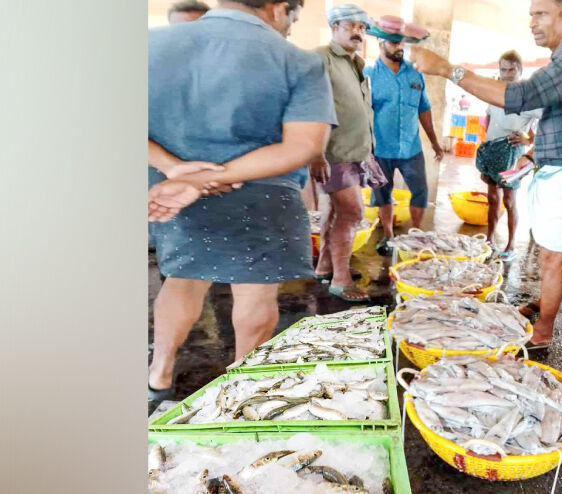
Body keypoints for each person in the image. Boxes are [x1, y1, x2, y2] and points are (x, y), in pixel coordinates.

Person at [147, 0, 336, 402]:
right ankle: (241, 394)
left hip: (170, 193)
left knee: (184, 278)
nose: (288, 28)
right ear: (280, 7)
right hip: (262, 193)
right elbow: (302, 146)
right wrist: (210, 178)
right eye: (293, 18)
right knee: (255, 292)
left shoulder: (149, 45)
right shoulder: (297, 61)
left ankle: (158, 378)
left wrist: (177, 170)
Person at [410, 0, 562, 347]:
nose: (532, 22)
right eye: (531, 14)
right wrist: (532, 157)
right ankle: (543, 303)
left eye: (541, 14)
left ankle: (544, 330)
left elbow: (520, 96)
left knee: (552, 255)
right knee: (552, 250)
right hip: (560, 166)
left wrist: (447, 69)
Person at [310, 4, 375, 302]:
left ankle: (325, 266)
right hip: (333, 153)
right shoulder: (321, 58)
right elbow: (311, 106)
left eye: (362, 28)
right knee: (352, 213)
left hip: (353, 153)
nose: (358, 32)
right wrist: (316, 153)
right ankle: (340, 278)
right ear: (334, 27)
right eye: (351, 25)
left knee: (336, 211)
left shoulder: (356, 63)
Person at [364, 33, 444, 255]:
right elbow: (362, 111)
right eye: (394, 42)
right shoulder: (369, 74)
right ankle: (388, 236)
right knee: (383, 193)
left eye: (401, 42)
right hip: (380, 148)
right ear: (381, 44)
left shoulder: (415, 72)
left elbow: (423, 108)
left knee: (420, 191)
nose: (399, 47)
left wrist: (435, 141)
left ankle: (416, 236)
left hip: (411, 147)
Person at [476, 50, 542, 262]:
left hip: (512, 153)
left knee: (509, 200)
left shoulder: (529, 99)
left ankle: (511, 244)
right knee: (492, 198)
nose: (506, 74)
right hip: (492, 150)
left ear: (520, 70)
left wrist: (528, 139)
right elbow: (488, 115)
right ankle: (489, 239)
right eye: (503, 69)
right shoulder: (496, 92)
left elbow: (543, 128)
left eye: (511, 70)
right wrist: (486, 143)